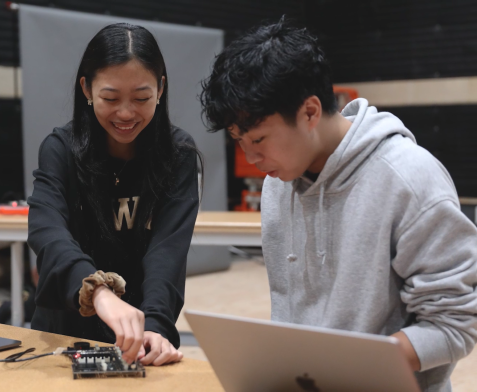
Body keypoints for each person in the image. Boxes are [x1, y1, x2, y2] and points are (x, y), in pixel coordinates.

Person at [200, 18, 477, 391]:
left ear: (310, 112)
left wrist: (347, 363)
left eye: (259, 139)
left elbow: (455, 324)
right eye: (239, 141)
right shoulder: (277, 185)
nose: (251, 158)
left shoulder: (408, 179)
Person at [27, 23, 201, 366]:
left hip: (144, 335)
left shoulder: (177, 155)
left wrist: (156, 324)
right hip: (63, 333)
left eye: (141, 98)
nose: (125, 113)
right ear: (86, 89)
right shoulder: (60, 150)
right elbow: (47, 233)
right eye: (110, 98)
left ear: (161, 89)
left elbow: (167, 252)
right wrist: (97, 291)